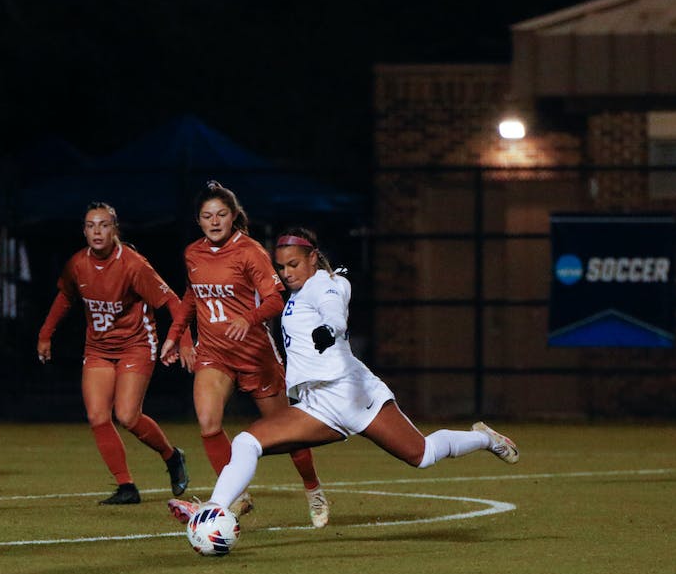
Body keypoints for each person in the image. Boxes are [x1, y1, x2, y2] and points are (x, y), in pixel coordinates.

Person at [167, 226, 519, 529]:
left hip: (352, 394)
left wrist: (329, 328)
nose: (286, 273)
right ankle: (213, 510)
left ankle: (484, 439)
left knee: (422, 454)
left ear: (313, 258)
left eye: (293, 265)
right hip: (317, 403)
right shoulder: (297, 293)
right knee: (247, 442)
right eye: (282, 267)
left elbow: (335, 310)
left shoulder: (326, 282)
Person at [160, 182, 328, 527]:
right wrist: (175, 336)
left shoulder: (250, 251)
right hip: (214, 354)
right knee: (208, 424)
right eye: (207, 216)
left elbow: (275, 300)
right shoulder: (193, 253)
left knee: (291, 433)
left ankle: (313, 489)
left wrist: (248, 318)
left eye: (221, 214)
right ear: (198, 220)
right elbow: (192, 297)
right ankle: (235, 497)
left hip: (255, 356)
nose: (215, 221)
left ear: (234, 216)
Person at [36, 202, 190, 505]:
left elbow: (172, 300)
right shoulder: (77, 264)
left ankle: (171, 457)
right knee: (97, 416)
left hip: (137, 344)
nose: (97, 231)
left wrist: (183, 340)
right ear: (84, 230)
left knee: (127, 416)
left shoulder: (133, 264)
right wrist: (45, 334)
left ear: (115, 228)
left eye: (104, 225)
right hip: (98, 348)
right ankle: (126, 487)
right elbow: (65, 297)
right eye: (91, 225)